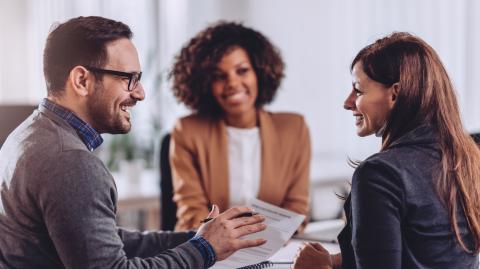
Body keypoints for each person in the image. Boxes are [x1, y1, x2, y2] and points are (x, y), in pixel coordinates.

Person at [0, 16, 268, 269]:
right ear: (82, 80)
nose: (140, 93)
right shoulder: (71, 161)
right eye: (129, 78)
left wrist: (201, 237)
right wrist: (205, 249)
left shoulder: (27, 135)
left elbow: (100, 241)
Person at [294, 32, 480, 269]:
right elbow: (420, 254)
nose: (347, 102)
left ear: (395, 93)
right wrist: (333, 261)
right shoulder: (465, 159)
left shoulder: (379, 174)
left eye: (358, 90)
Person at [169, 21, 311, 231]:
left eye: (242, 70)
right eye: (219, 76)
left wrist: (261, 240)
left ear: (259, 73)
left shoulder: (293, 128)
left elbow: (296, 207)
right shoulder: (188, 131)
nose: (233, 83)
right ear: (206, 83)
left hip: (272, 248)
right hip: (207, 250)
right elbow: (192, 212)